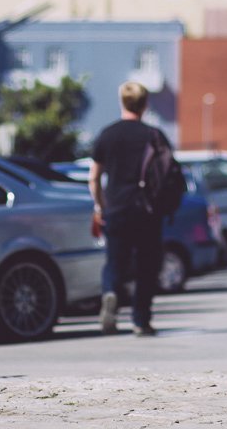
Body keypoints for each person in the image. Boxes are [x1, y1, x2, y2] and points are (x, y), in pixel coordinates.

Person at [89, 80, 172, 337]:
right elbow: (169, 173)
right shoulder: (154, 135)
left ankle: (111, 292)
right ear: (145, 105)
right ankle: (141, 320)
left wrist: (100, 206)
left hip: (116, 208)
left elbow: (93, 178)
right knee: (147, 266)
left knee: (114, 262)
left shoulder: (107, 134)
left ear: (121, 102)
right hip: (147, 210)